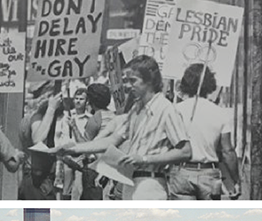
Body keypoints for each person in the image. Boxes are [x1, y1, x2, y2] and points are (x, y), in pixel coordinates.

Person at [58, 55, 192, 200]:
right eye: (127, 80)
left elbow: (185, 151)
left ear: (149, 80)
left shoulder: (166, 109)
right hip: (129, 184)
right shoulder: (136, 109)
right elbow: (112, 140)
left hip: (150, 184)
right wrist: (74, 148)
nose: (128, 85)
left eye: (133, 80)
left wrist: (145, 159)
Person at [173, 63, 238, 200]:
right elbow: (227, 152)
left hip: (181, 172)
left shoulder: (175, 110)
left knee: (184, 219)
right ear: (210, 84)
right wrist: (236, 181)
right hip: (209, 173)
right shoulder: (220, 113)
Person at [19, 90, 63, 200]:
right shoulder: (37, 118)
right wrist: (51, 108)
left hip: (36, 176)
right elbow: (37, 139)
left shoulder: (34, 117)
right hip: (37, 178)